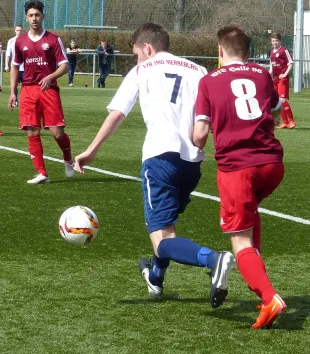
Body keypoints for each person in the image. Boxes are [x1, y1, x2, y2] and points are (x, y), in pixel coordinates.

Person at [74, 22, 234, 307]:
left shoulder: (141, 70)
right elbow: (212, 117)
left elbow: (117, 114)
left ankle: (214, 259)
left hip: (159, 158)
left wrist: (90, 150)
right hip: (191, 162)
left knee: (163, 239)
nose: (136, 59)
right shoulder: (199, 71)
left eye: (136, 53)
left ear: (147, 48)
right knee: (165, 227)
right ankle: (156, 277)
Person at [193, 24, 287, 329]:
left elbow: (200, 134)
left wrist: (193, 143)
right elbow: (275, 108)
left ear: (221, 51)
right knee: (250, 215)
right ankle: (258, 286)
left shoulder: (208, 81)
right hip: (272, 164)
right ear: (248, 52)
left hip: (237, 167)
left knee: (240, 239)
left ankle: (269, 296)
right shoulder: (260, 74)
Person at [8, 0, 74, 184]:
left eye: (37, 15)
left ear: (43, 16)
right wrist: (13, 92)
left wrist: (50, 77)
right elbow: (15, 66)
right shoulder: (19, 42)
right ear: (26, 18)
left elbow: (64, 66)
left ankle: (67, 157)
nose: (34, 18)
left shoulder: (53, 39)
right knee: (32, 131)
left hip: (48, 89)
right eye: (31, 15)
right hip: (28, 90)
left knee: (57, 133)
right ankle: (42, 173)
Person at [269, 32, 295, 129]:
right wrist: (269, 73)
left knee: (283, 99)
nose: (275, 42)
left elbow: (291, 63)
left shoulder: (284, 50)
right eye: (273, 41)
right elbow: (272, 64)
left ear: (280, 41)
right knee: (278, 101)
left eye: (276, 40)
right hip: (274, 79)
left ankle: (292, 121)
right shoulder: (271, 52)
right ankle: (285, 122)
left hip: (282, 78)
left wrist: (285, 74)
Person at [5, 24, 24, 106]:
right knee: (14, 85)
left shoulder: (25, 40)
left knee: (25, 86)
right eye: (17, 30)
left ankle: (24, 101)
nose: (19, 32)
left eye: (20, 30)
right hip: (15, 68)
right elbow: (8, 54)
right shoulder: (11, 41)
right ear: (15, 31)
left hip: (25, 68)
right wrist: (6, 65)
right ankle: (15, 101)